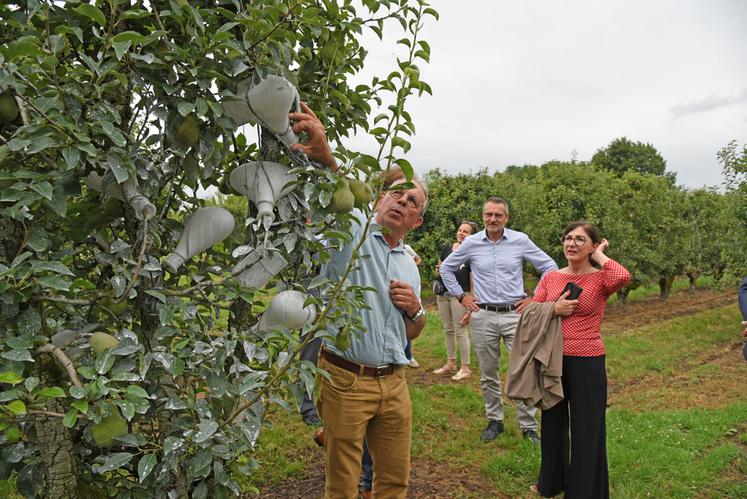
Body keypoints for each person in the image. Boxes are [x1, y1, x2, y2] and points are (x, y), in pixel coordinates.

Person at [290, 102, 427, 498]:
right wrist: (326, 153)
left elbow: (413, 331)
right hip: (347, 379)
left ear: (416, 221)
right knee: (343, 484)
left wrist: (415, 309)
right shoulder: (354, 233)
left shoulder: (410, 266)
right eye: (396, 194)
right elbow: (342, 192)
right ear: (380, 199)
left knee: (393, 481)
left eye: (412, 201)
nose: (402, 202)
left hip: (395, 383)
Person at [439, 197, 557, 444]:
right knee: (488, 371)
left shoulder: (519, 240)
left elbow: (549, 266)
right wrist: (461, 296)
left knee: (524, 369)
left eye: (498, 215)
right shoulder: (471, 243)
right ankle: (495, 420)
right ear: (483, 217)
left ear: (507, 218)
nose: (493, 219)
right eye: (488, 215)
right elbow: (446, 270)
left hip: (516, 315)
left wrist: (535, 297)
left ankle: (528, 426)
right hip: (483, 315)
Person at [530, 221, 630, 498]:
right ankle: (550, 482)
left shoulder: (600, 279)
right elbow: (532, 310)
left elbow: (622, 277)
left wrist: (600, 256)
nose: (571, 244)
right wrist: (554, 308)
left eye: (580, 240)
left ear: (591, 246)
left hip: (587, 361)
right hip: (552, 360)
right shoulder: (551, 277)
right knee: (552, 422)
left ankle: (584, 490)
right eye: (568, 238)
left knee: (588, 427)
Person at [433, 221, 478, 381]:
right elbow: (438, 269)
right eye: (460, 230)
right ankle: (450, 363)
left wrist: (472, 303)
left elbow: (473, 279)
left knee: (460, 330)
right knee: (448, 329)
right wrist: (438, 271)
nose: (461, 233)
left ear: (473, 236)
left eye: (466, 231)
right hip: (443, 294)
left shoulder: (473, 254)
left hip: (461, 296)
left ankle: (465, 367)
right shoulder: (447, 248)